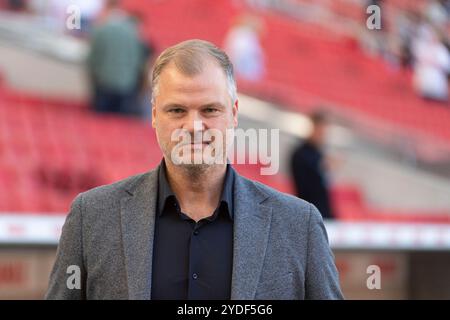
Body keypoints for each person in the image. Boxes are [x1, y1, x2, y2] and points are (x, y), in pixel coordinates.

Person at [46, 40, 343, 300]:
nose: (193, 126)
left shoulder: (298, 226)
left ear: (234, 114)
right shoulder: (91, 218)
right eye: (177, 110)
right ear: (153, 116)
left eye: (210, 110)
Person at [87, 0, 146, 115]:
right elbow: (139, 62)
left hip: (104, 85)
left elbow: (92, 60)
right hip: (126, 87)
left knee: (101, 123)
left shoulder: (100, 28)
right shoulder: (133, 31)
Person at [291, 111, 335, 220]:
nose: (323, 136)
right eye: (321, 131)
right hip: (309, 214)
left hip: (324, 214)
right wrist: (321, 165)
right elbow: (305, 187)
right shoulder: (301, 154)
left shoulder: (318, 153)